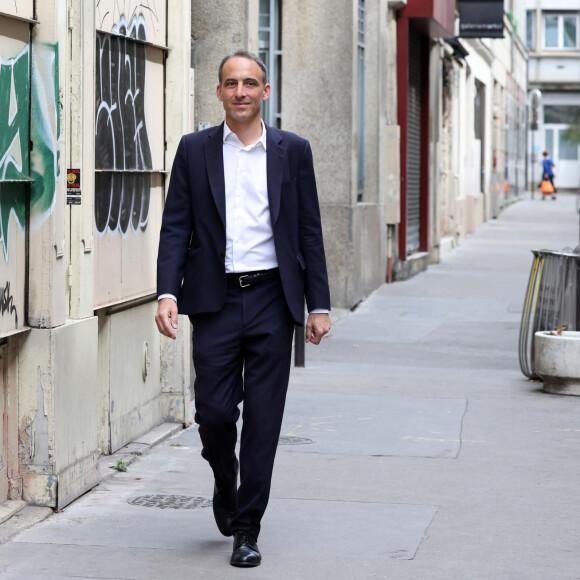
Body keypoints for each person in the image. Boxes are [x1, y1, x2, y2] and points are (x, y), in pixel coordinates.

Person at [155, 50, 331, 568]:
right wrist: (167, 292)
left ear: (265, 92)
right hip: (214, 300)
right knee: (212, 411)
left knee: (263, 418)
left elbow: (309, 232)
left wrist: (317, 303)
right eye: (230, 83)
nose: (240, 92)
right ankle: (222, 478)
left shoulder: (292, 151)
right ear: (219, 93)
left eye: (250, 83)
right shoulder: (194, 150)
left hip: (274, 301)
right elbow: (174, 227)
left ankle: (247, 529)